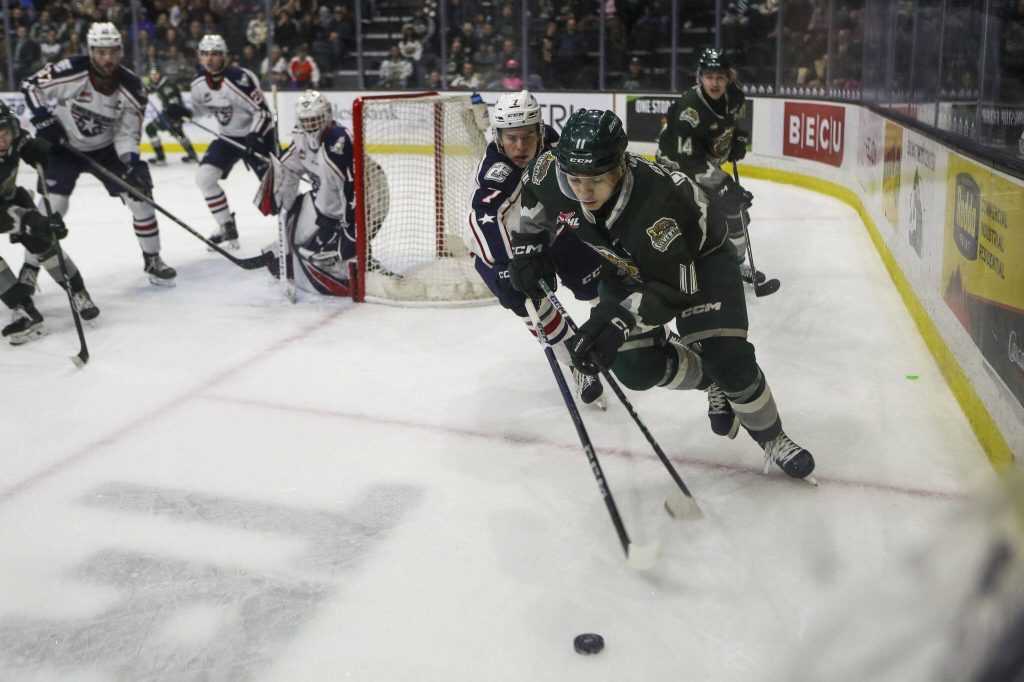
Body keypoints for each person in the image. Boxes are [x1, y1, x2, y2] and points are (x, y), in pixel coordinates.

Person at [509, 108, 815, 480]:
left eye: (597, 181)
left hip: (700, 262)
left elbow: (676, 287)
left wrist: (618, 319)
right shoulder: (551, 170)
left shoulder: (656, 207)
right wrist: (529, 246)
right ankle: (712, 380)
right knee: (635, 368)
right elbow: (534, 192)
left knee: (726, 355)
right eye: (575, 179)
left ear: (620, 168)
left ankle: (772, 437)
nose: (584, 191)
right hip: (627, 263)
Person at [464, 91, 606, 407]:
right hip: (500, 246)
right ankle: (576, 363)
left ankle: (630, 333)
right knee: (521, 295)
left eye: (527, 136)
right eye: (511, 138)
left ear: (539, 130)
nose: (520, 146)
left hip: (548, 229)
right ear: (499, 138)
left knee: (598, 279)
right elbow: (483, 221)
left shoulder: (552, 144)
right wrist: (505, 263)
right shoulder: (496, 172)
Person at [21, 21, 177, 287]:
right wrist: (43, 119)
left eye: (112, 51)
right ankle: (30, 268)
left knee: (141, 198)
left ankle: (152, 258)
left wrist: (130, 162)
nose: (107, 58)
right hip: (63, 147)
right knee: (51, 208)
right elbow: (30, 86)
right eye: (100, 51)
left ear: (121, 51)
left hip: (106, 150)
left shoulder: (132, 87)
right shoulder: (71, 69)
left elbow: (128, 133)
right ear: (91, 50)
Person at [655, 48, 760, 285]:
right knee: (697, 216)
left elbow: (734, 120)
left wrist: (739, 140)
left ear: (728, 77)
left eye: (720, 77)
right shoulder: (688, 111)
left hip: (702, 162)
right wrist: (724, 184)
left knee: (735, 211)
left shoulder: (733, 96)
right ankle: (686, 270)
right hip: (675, 168)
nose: (714, 82)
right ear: (700, 77)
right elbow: (689, 163)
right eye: (709, 76)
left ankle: (736, 265)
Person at [164, 33, 276, 250]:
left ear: (224, 56)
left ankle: (293, 229)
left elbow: (263, 113)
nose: (210, 59)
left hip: (259, 137)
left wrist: (254, 136)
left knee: (276, 188)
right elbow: (199, 111)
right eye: (205, 54)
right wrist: (183, 112)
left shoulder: (240, 78)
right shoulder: (198, 84)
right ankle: (226, 225)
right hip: (228, 137)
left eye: (215, 54)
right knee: (205, 177)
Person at [0, 101, 91, 343]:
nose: (1, 141)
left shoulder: (16, 138)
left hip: (9, 196)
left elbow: (33, 147)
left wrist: (43, 154)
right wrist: (31, 220)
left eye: (5, 133)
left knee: (44, 244)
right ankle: (23, 308)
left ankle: (78, 291)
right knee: (37, 228)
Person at [256, 90, 356, 295]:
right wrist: (282, 194)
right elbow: (290, 166)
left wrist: (346, 229)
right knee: (294, 216)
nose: (310, 126)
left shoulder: (338, 144)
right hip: (330, 203)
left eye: (315, 119)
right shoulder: (301, 137)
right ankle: (284, 254)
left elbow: (350, 191)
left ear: (327, 116)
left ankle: (349, 261)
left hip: (365, 201)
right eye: (306, 121)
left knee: (327, 247)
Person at [143, 66, 199, 165]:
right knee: (179, 134)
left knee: (150, 129)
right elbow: (151, 87)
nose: (154, 76)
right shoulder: (161, 84)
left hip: (172, 115)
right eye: (151, 74)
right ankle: (192, 155)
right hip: (174, 114)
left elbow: (174, 105)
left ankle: (160, 157)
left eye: (156, 73)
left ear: (160, 74)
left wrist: (175, 118)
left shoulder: (166, 87)